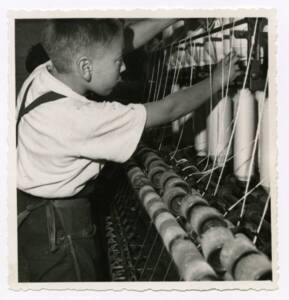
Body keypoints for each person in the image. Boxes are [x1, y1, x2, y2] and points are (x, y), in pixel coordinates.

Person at [16, 19, 240, 282]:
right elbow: (169, 109)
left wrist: (177, 12)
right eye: (117, 61)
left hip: (34, 215)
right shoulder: (80, 118)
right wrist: (217, 81)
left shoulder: (46, 73)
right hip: (62, 229)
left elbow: (118, 41)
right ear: (85, 67)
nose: (124, 66)